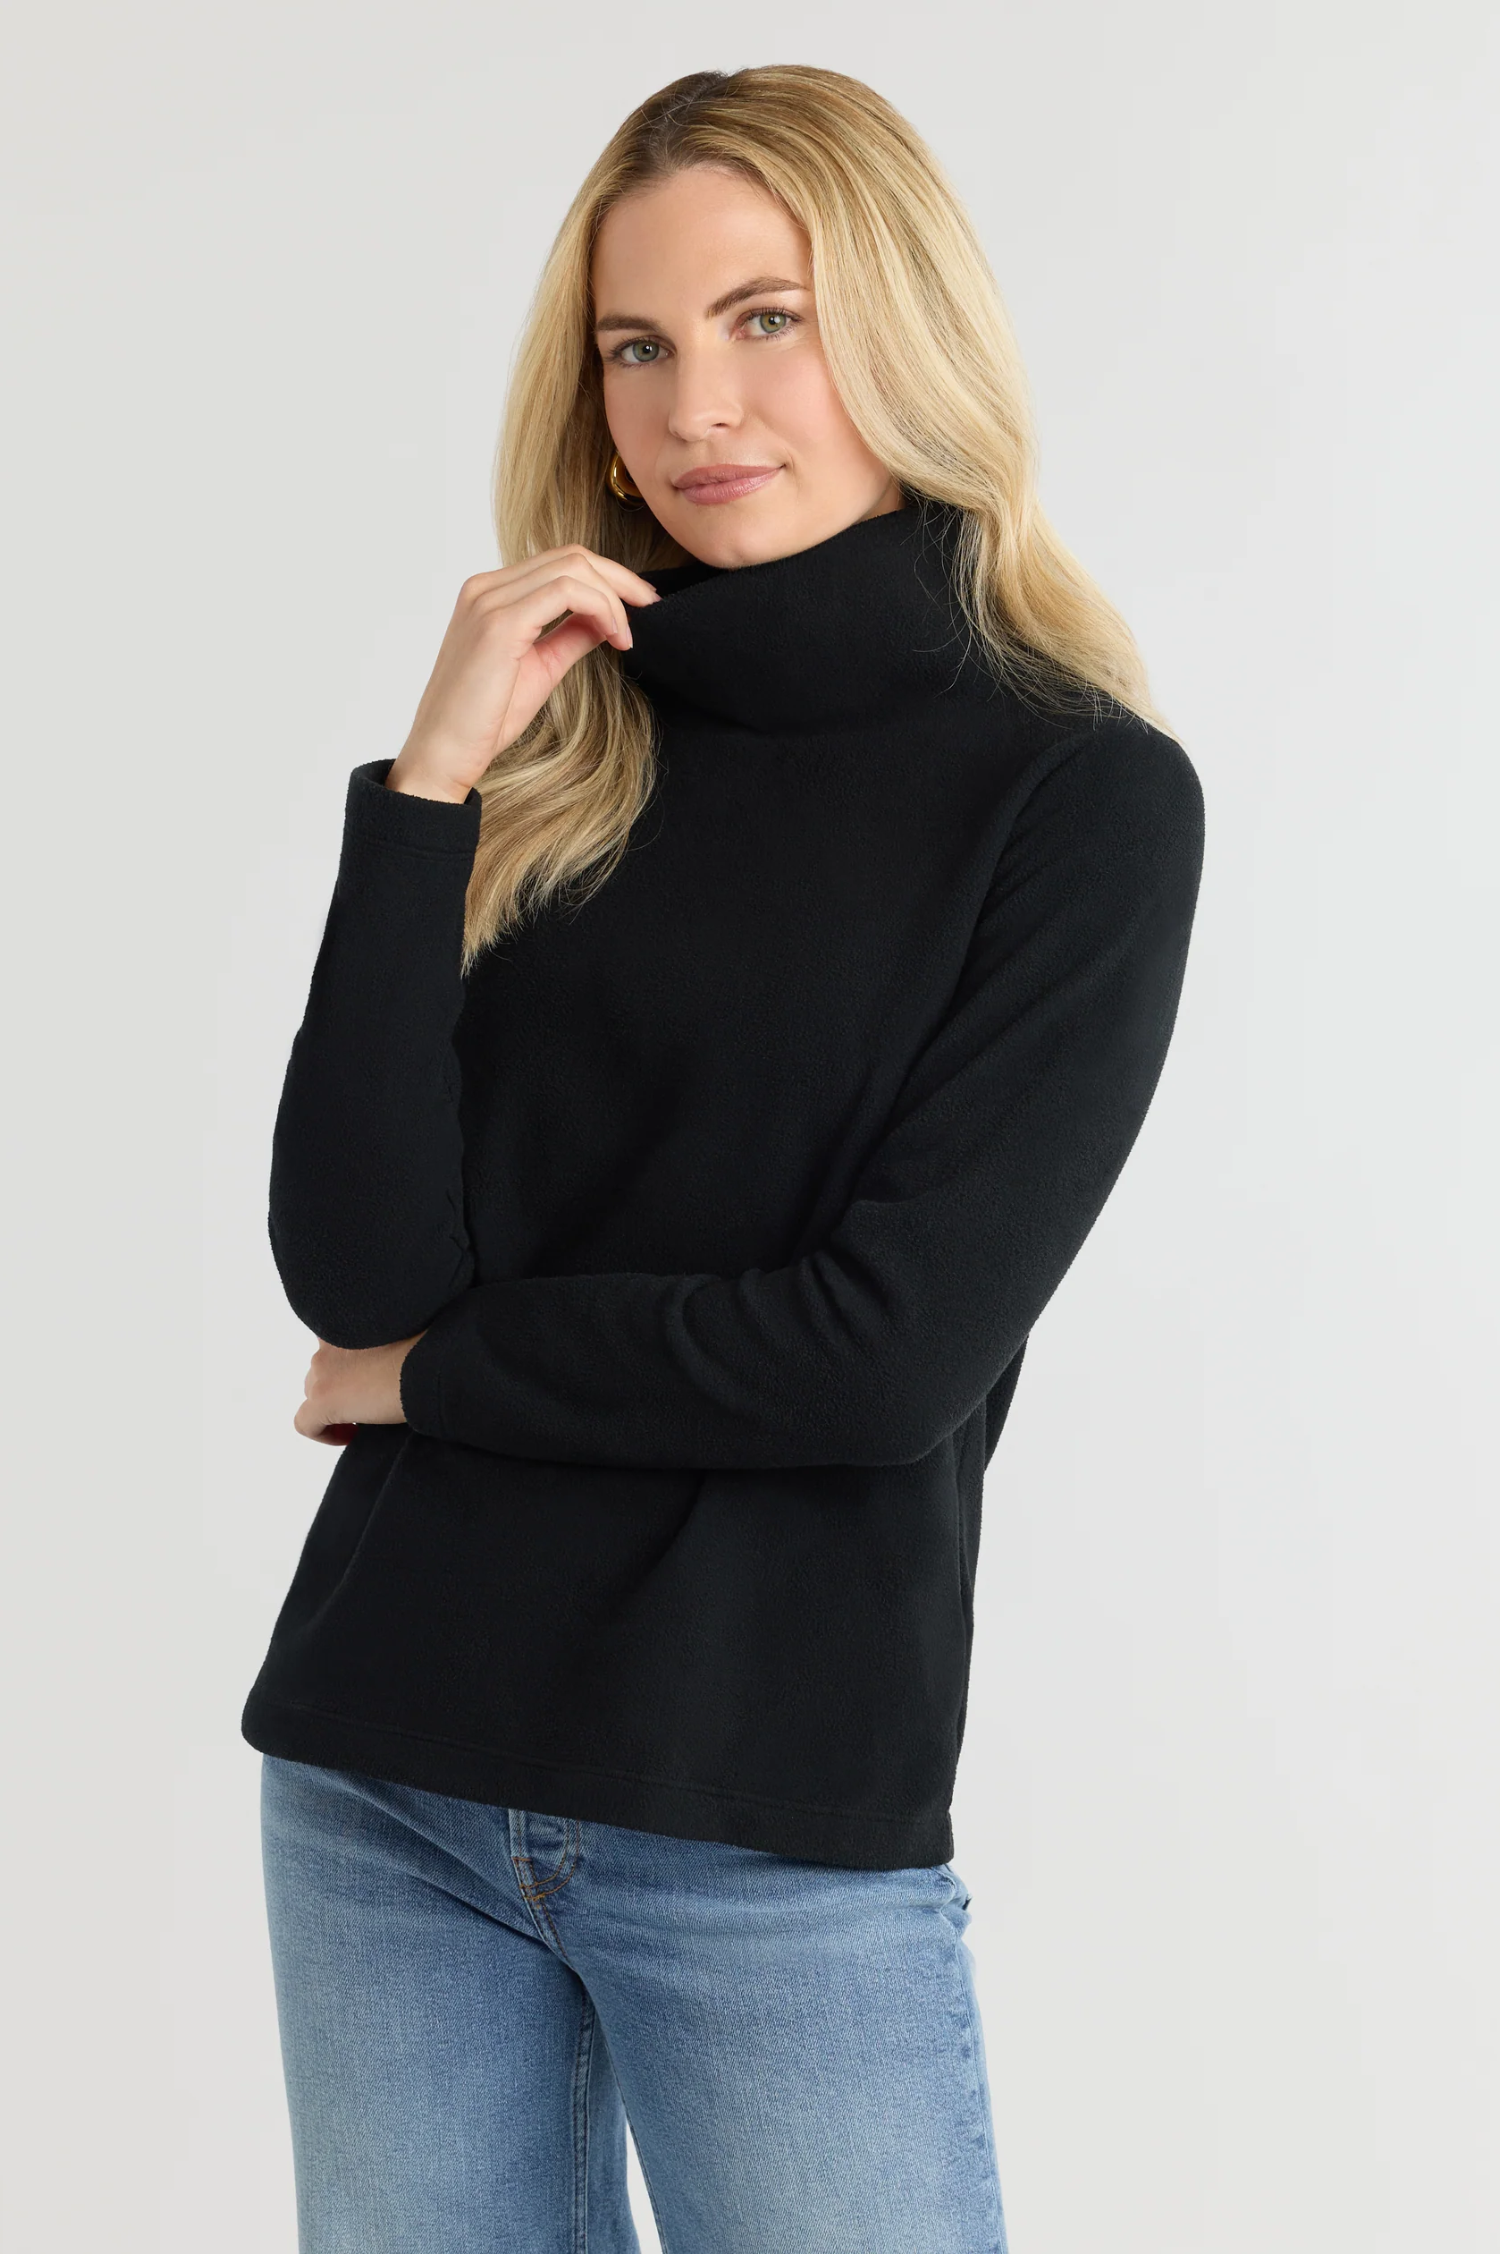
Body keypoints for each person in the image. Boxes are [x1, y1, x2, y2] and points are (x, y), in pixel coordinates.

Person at [242, 62, 1205, 2254]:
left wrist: (442, 1382)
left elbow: (879, 1357)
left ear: (906, 328)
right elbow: (355, 1266)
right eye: (638, 344)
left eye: (769, 319)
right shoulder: (551, 756)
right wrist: (429, 789)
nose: (698, 405)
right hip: (387, 1773)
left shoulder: (1075, 795)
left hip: (764, 1812)